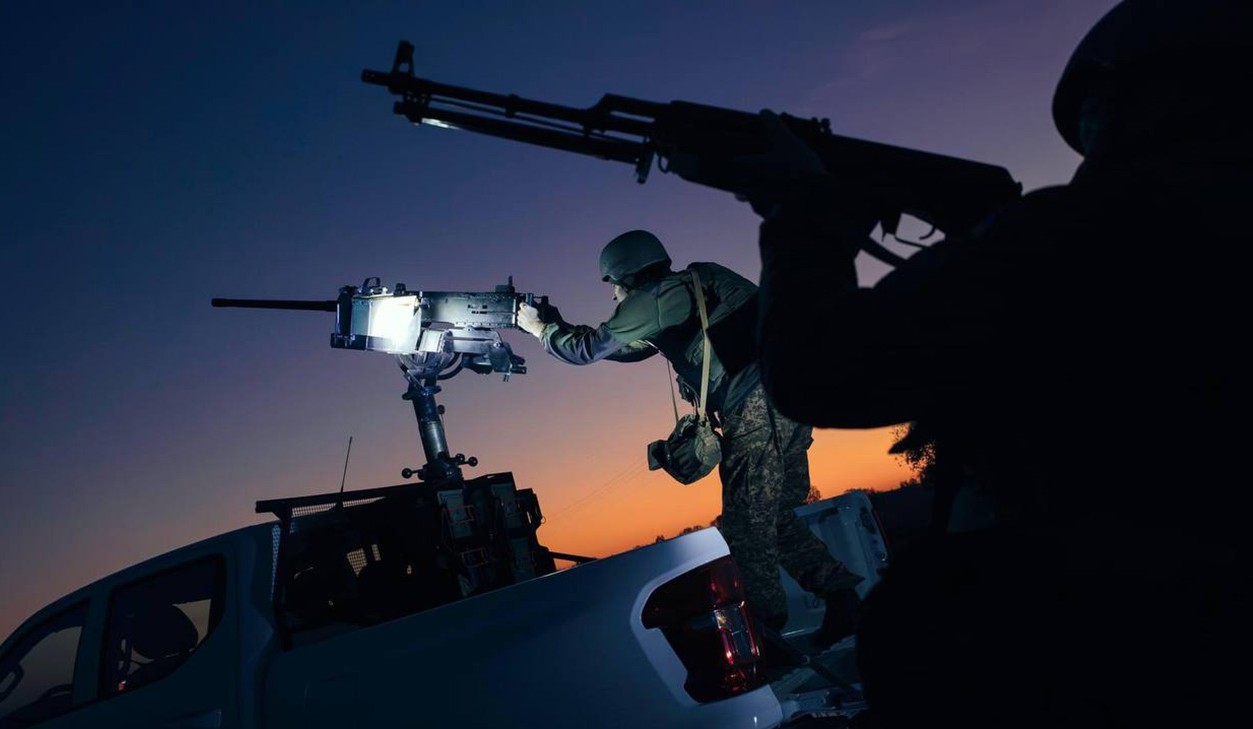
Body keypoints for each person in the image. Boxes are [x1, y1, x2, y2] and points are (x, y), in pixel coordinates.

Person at [695, 0, 1249, 725]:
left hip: (1097, 643)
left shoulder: (1083, 232)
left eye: (1100, 110)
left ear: (1155, 100)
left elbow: (818, 368)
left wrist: (801, 210)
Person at [517, 230, 862, 649]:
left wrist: (538, 329)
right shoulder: (699, 281)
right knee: (772, 516)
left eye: (612, 285)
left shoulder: (653, 298)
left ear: (626, 276)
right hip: (790, 400)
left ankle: (766, 637)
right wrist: (559, 325)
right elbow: (628, 347)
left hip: (755, 409)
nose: (612, 295)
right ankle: (843, 601)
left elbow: (588, 350)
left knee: (746, 525)